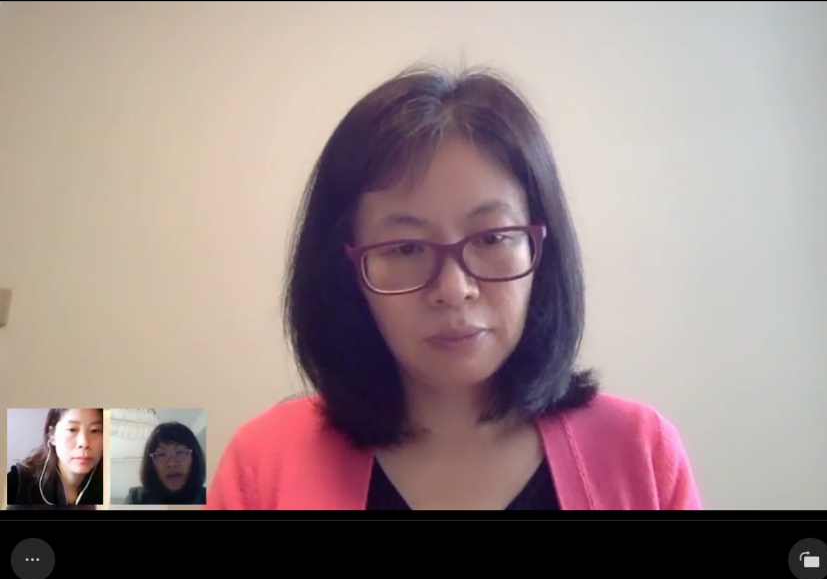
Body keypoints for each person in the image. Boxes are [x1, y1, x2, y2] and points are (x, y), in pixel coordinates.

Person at [207, 64, 701, 510]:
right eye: (405, 248)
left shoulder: (640, 452)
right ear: (346, 270)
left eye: (491, 238)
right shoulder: (264, 465)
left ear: (541, 250)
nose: (454, 289)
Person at [6, 408, 104, 508]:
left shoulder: (107, 486)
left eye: (95, 430)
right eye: (72, 429)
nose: (84, 443)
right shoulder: (17, 483)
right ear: (52, 436)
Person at [125, 422, 207, 505]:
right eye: (161, 454)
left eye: (180, 452)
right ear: (151, 465)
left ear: (194, 458)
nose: (171, 463)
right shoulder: (136, 500)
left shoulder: (209, 498)